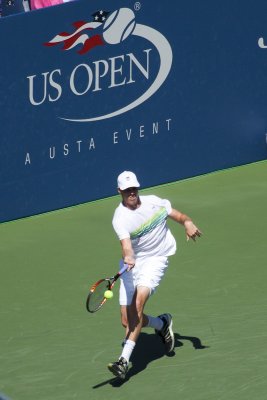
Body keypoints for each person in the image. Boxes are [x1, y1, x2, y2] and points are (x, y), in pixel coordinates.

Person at [108, 171, 202, 379]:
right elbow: (126, 246)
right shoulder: (120, 218)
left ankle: (123, 361)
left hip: (156, 259)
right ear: (119, 192)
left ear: (138, 187)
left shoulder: (155, 203)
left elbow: (180, 216)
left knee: (138, 306)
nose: (132, 193)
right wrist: (130, 257)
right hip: (132, 264)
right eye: (127, 190)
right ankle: (162, 324)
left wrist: (187, 223)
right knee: (127, 320)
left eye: (134, 189)